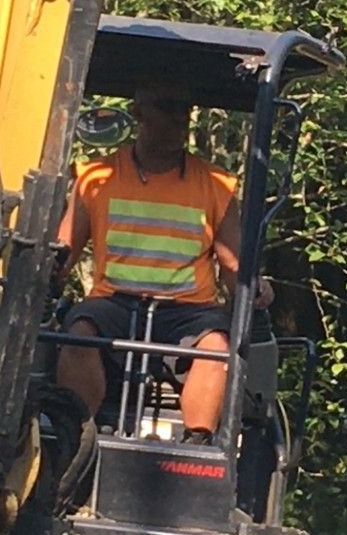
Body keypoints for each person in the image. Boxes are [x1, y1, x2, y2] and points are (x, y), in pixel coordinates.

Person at [53, 85, 272, 443]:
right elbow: (63, 253)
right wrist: (44, 267)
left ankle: (196, 445)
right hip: (114, 304)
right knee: (78, 334)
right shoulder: (96, 180)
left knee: (217, 346)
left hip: (188, 310)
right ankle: (73, 438)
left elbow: (235, 267)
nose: (178, 118)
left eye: (184, 110)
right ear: (139, 113)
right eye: (167, 105)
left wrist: (256, 288)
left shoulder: (216, 186)